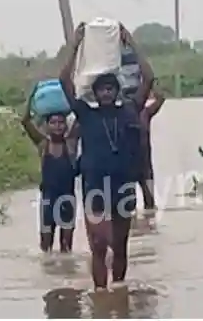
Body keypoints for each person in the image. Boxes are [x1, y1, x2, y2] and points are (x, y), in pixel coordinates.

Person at [58, 22, 155, 289]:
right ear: (96, 93)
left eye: (111, 88)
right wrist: (75, 45)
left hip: (123, 184)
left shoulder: (131, 110)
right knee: (99, 245)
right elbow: (63, 81)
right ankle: (101, 293)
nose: (107, 93)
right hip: (95, 186)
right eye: (102, 89)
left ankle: (119, 293)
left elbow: (149, 78)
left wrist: (131, 43)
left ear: (117, 91)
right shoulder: (86, 114)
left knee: (120, 247)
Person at [21, 92, 79, 253]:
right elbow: (25, 121)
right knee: (45, 247)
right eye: (53, 122)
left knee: (66, 248)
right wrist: (31, 99)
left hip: (68, 199)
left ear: (66, 125)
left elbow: (82, 116)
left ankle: (64, 275)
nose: (58, 126)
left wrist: (76, 97)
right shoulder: (42, 144)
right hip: (48, 200)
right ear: (46, 125)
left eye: (61, 122)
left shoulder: (71, 143)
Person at [136, 84, 166, 213]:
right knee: (126, 205)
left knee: (150, 204)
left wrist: (151, 85)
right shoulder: (122, 114)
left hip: (144, 164)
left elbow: (160, 98)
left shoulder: (145, 113)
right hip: (127, 164)